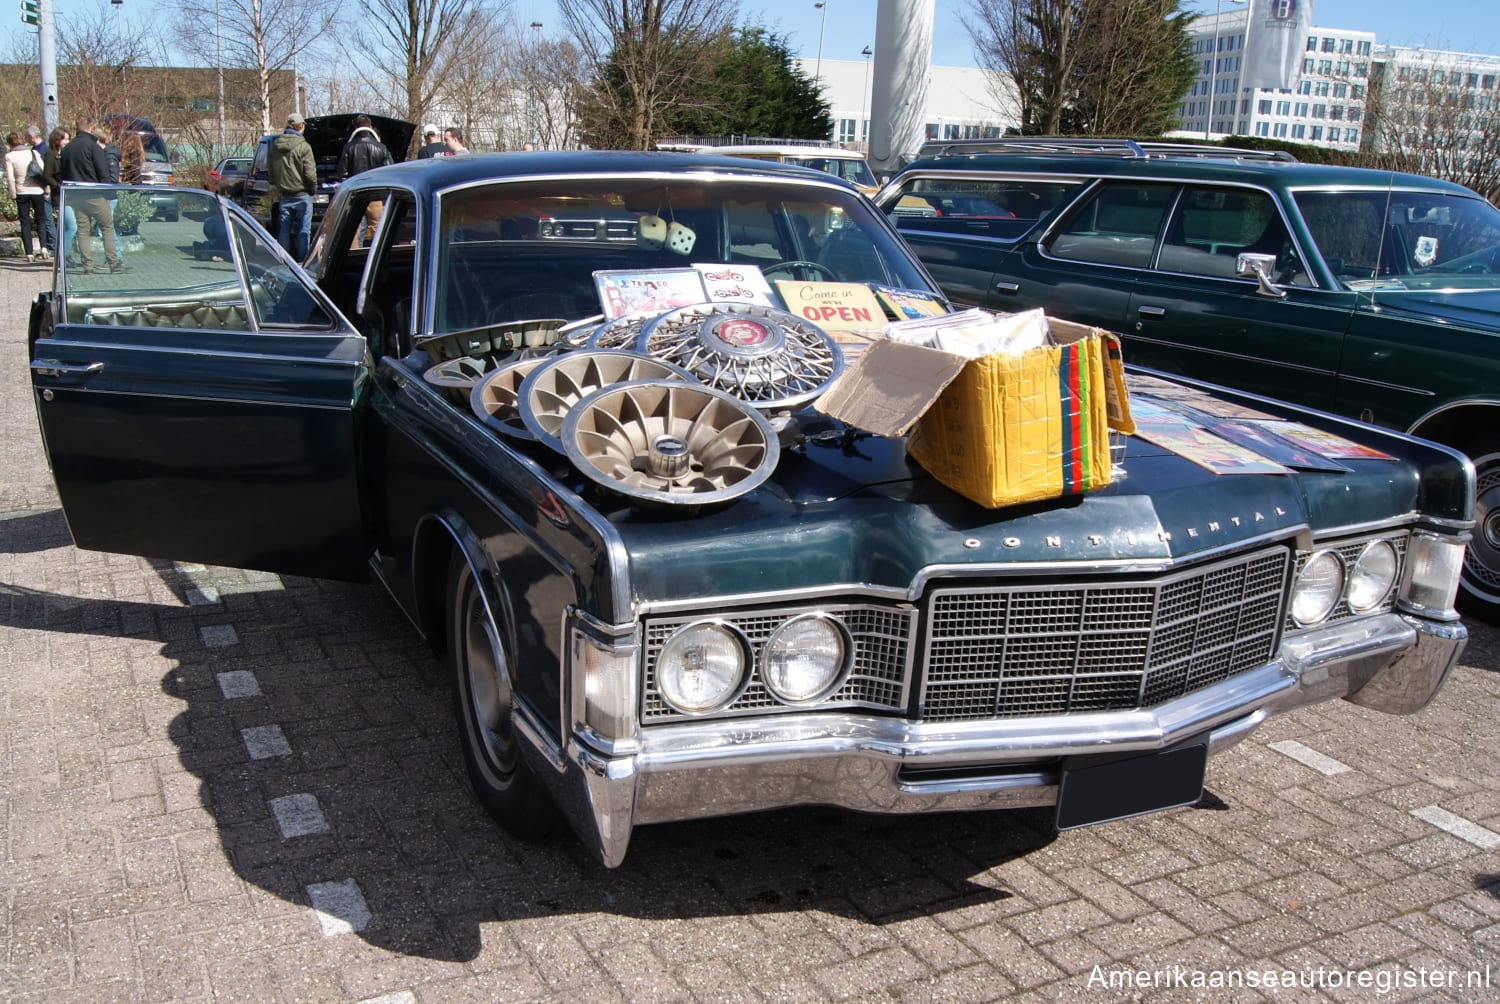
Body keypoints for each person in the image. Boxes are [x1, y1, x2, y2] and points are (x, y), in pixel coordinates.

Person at [58, 118, 127, 274]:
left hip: (75, 195)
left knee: (83, 230)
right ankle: (113, 263)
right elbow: (103, 173)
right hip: (94, 194)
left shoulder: (67, 149)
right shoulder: (93, 147)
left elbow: (62, 174)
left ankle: (87, 266)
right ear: (90, 128)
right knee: (107, 227)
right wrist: (108, 194)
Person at [267, 112, 317, 260]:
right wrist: (312, 189)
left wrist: (277, 184)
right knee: (304, 230)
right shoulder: (304, 146)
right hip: (302, 194)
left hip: (284, 195)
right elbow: (310, 173)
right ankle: (302, 262)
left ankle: (284, 260)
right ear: (301, 126)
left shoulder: (275, 145)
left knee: (284, 229)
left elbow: (271, 171)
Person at [5, 131, 49, 261]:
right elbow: (43, 171)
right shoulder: (33, 153)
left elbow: (11, 178)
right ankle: (44, 248)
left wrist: (13, 194)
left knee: (25, 223)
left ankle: (29, 253)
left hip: (21, 191)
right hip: (37, 190)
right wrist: (46, 188)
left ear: (9, 143)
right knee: (41, 220)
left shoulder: (10, 156)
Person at [25, 125, 54, 254]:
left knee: (46, 218)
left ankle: (52, 245)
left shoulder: (41, 150)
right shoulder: (42, 149)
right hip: (43, 188)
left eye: (27, 137)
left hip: (43, 188)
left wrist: (46, 187)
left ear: (32, 136)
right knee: (45, 218)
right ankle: (49, 245)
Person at [336, 114, 392, 179]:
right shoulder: (382, 147)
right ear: (370, 127)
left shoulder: (348, 147)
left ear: (355, 127)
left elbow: (342, 173)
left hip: (356, 187)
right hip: (376, 186)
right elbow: (389, 171)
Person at [41, 128, 68, 261]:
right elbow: (47, 175)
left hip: (67, 191)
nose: (67, 142)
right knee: (63, 224)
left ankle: (65, 253)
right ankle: (60, 253)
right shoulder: (50, 155)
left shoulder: (65, 153)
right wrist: (57, 186)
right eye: (65, 139)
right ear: (58, 139)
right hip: (58, 193)